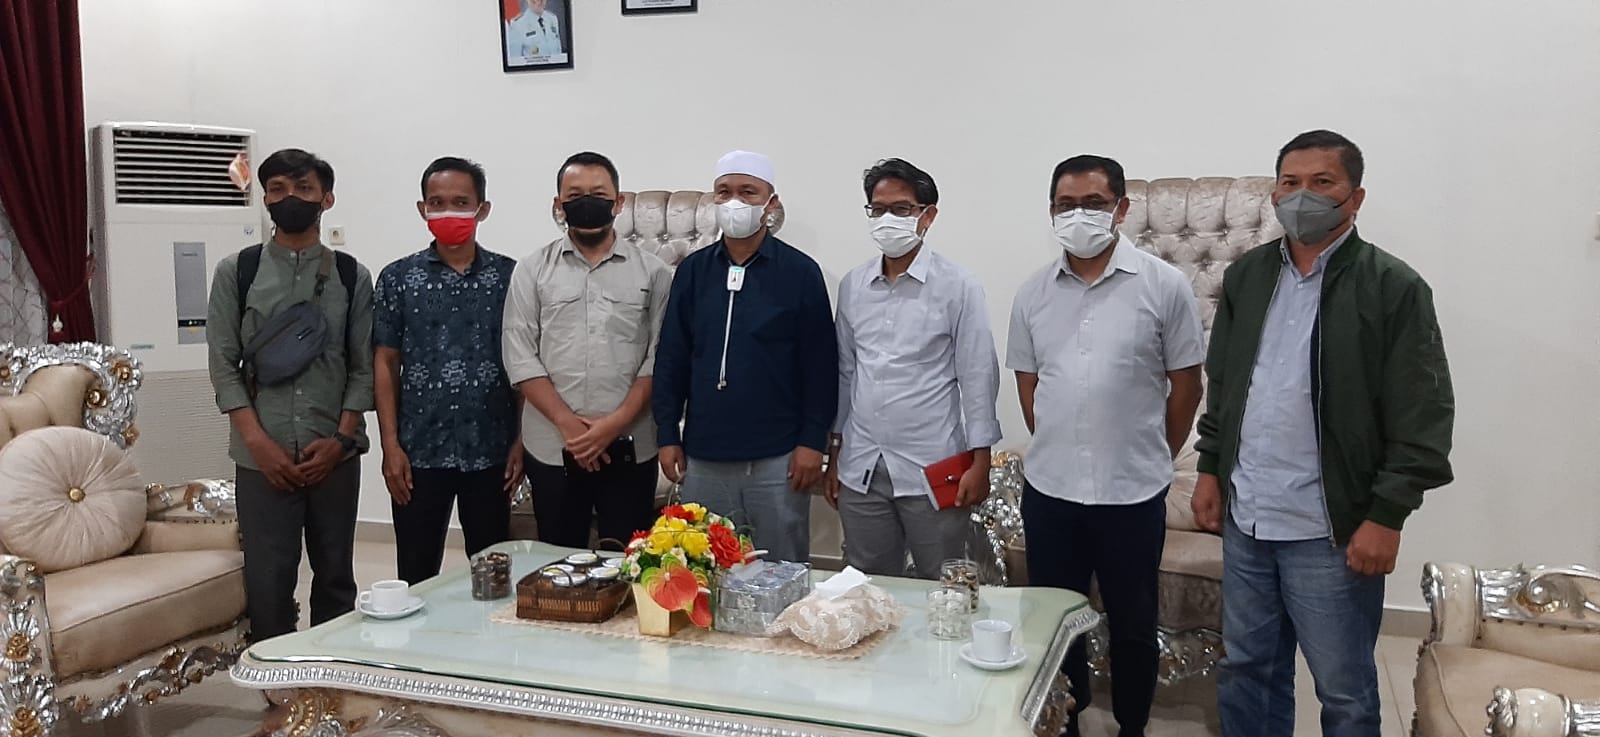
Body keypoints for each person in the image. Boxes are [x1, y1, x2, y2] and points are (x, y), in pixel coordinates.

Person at [1193, 130, 1454, 737]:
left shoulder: (1392, 287)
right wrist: (1210, 469)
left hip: (1331, 529)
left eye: (1322, 182)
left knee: (1344, 690)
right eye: (1290, 182)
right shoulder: (1249, 276)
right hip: (1248, 517)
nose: (1302, 195)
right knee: (1247, 669)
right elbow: (1223, 384)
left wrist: (1387, 515)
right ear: (1274, 193)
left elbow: (1423, 413)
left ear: (1355, 197)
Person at [1007, 155, 1205, 737]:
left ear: (1121, 209)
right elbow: (1028, 384)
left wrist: (1153, 451)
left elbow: (1186, 385)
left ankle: (1132, 727)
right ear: (1051, 212)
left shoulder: (1163, 286)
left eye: (1093, 203)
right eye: (1066, 205)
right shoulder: (1033, 293)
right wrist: (1060, 439)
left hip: (1131, 492)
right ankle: (1064, 722)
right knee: (1056, 620)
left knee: (1134, 623)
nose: (1079, 215)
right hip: (1051, 491)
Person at [206, 148, 374, 642]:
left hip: (334, 455)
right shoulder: (237, 271)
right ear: (265, 199)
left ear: (327, 198)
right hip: (261, 457)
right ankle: (275, 677)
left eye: (303, 189)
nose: (290, 198)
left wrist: (340, 440)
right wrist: (258, 443)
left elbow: (362, 368)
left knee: (336, 575)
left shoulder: (352, 276)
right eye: (277, 189)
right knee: (268, 580)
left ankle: (331, 669)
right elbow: (223, 366)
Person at [652, 150, 837, 564]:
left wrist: (813, 442)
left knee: (781, 570)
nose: (735, 201)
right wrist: (667, 433)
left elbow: (821, 367)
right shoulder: (693, 272)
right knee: (707, 567)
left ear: (771, 203)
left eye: (748, 192)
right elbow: (672, 357)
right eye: (724, 192)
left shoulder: (800, 273)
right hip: (704, 455)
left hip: (778, 458)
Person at [825, 158, 999, 579]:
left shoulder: (958, 286)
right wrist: (835, 451)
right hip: (862, 465)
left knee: (942, 583)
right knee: (867, 584)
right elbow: (846, 372)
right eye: (878, 209)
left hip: (932, 466)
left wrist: (981, 461)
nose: (888, 219)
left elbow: (977, 376)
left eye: (901, 209)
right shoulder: (853, 285)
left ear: (927, 215)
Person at [503, 152, 671, 548]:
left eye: (598, 194)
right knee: (557, 562)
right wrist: (569, 425)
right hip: (552, 445)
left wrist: (613, 424)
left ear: (618, 202)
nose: (587, 202)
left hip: (631, 443)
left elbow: (660, 356)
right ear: (558, 205)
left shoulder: (654, 273)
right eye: (575, 195)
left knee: (630, 561)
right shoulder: (531, 269)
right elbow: (519, 352)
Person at [373, 157, 521, 585]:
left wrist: (521, 440)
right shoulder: (398, 278)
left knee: (492, 574)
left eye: (460, 202)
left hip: (492, 449)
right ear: (422, 209)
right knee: (416, 575)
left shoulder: (510, 277)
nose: (448, 212)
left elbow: (525, 362)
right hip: (418, 451)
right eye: (437, 203)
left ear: (482, 209)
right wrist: (390, 445)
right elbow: (385, 362)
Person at [504, 0, 565, 64]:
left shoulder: (553, 19)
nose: (539, 2)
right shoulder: (517, 24)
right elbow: (516, 61)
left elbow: (558, 52)